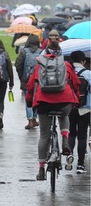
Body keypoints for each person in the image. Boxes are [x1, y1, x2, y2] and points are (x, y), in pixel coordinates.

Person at [26, 40, 80, 180]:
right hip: (64, 101)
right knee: (64, 114)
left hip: (43, 103)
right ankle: (65, 140)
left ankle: (41, 169)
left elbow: (31, 85)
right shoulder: (66, 65)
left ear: (47, 51)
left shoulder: (40, 65)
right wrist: (75, 98)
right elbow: (76, 83)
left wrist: (29, 100)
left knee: (44, 135)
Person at [68, 51, 91, 174]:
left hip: (70, 107)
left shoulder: (68, 72)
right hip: (85, 108)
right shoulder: (88, 74)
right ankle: (80, 165)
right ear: (83, 61)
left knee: (71, 134)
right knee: (82, 136)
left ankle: (69, 155)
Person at [15, 34, 41, 129]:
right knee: (37, 99)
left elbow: (18, 65)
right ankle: (34, 118)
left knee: (28, 99)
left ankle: (30, 120)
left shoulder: (24, 52)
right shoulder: (41, 52)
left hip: (27, 80)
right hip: (38, 80)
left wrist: (22, 76)